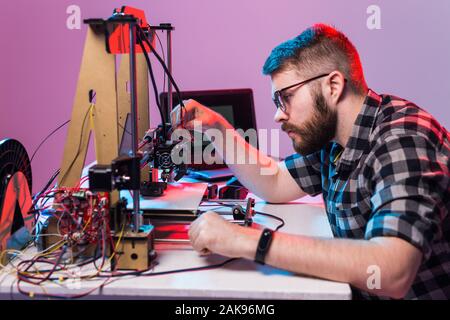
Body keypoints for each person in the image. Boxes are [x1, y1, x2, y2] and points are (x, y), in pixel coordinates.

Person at [170, 24, 449, 299]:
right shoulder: (336, 141)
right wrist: (217, 127)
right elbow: (274, 182)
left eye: (286, 97)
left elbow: (392, 272)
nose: (279, 116)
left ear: (333, 86)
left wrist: (246, 240)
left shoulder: (403, 138)